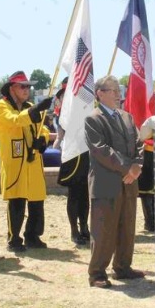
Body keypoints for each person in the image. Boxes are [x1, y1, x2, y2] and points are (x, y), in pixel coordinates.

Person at [85, 75, 144, 289]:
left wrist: (137, 166)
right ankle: (97, 273)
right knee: (104, 229)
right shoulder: (94, 119)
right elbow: (102, 150)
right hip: (106, 182)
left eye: (119, 90)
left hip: (129, 182)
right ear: (100, 93)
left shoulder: (127, 117)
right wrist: (127, 168)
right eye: (113, 91)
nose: (119, 95)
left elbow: (139, 143)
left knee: (127, 225)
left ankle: (123, 267)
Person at [0, 71, 52, 252]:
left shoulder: (29, 106)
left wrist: (42, 139)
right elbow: (14, 121)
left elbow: (42, 127)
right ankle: (14, 239)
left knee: (37, 200)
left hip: (33, 159)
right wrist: (34, 110)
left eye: (28, 86)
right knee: (17, 200)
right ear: (12, 88)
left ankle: (33, 236)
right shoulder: (2, 106)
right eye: (23, 86)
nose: (27, 89)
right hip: (15, 160)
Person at [53, 78, 91, 246]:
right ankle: (74, 229)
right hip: (71, 153)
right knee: (74, 194)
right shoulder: (64, 110)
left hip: (85, 152)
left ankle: (84, 226)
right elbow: (63, 125)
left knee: (85, 194)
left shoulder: (85, 107)